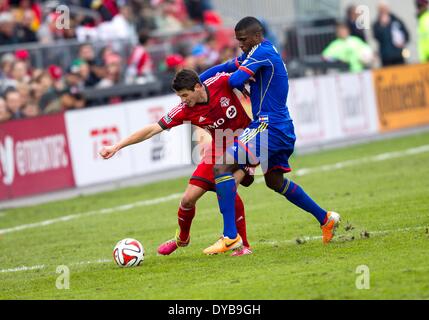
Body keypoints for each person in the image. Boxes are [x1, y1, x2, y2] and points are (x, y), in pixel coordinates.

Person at [199, 17, 341, 255]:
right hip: (281, 126)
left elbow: (233, 79)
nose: (240, 45)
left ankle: (231, 237)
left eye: (243, 40)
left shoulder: (262, 52)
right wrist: (199, 80)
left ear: (257, 36)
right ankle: (325, 218)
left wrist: (241, 77)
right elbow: (225, 68)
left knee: (221, 167)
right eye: (238, 41)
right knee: (275, 181)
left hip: (268, 126)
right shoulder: (258, 53)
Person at [99, 69, 254, 257]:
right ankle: (182, 238)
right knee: (188, 200)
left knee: (228, 189)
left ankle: (241, 244)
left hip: (248, 142)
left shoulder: (221, 82)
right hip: (218, 148)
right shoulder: (185, 110)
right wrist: (117, 146)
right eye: (179, 96)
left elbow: (242, 70)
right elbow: (152, 129)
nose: (182, 100)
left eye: (185, 95)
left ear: (198, 87)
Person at [373, 2, 410, 66]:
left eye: (384, 8)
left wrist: (403, 41)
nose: (383, 11)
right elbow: (377, 37)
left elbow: (406, 35)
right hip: (386, 57)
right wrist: (382, 26)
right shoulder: (377, 24)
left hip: (399, 55)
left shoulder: (396, 20)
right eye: (381, 9)